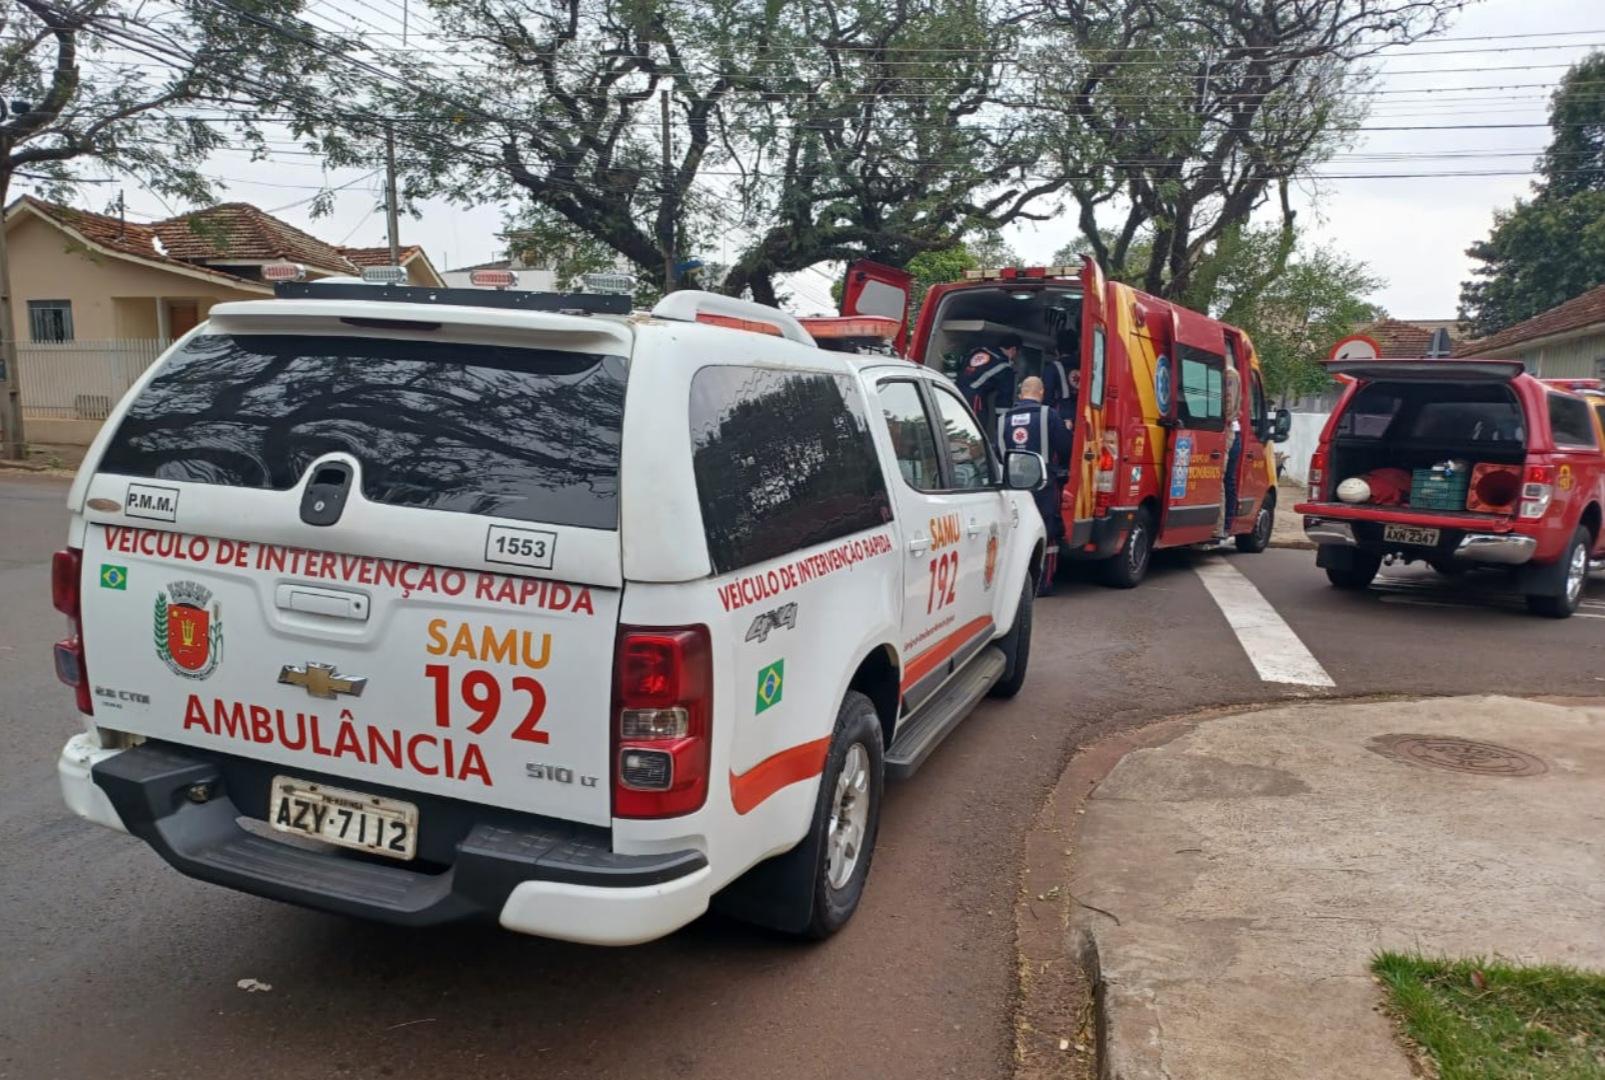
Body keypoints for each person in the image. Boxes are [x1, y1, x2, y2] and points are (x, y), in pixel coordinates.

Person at [997, 376, 1073, 596]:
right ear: (1041, 393)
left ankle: (1012, 581)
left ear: (1021, 394)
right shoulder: (1049, 415)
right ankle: (1042, 584)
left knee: (1015, 530)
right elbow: (1065, 446)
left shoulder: (1003, 419)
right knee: (1048, 532)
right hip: (1044, 485)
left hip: (1012, 484)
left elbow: (997, 452)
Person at [958, 332, 1020, 427]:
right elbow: (1003, 401)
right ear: (1013, 349)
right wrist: (1002, 425)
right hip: (974, 400)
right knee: (975, 429)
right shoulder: (1005, 367)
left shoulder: (976, 351)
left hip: (954, 391)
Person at [1218, 352, 1243, 541]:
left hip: (1228, 433)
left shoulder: (1230, 374)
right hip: (1223, 432)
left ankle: (1225, 526)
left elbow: (1228, 408)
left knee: (1226, 480)